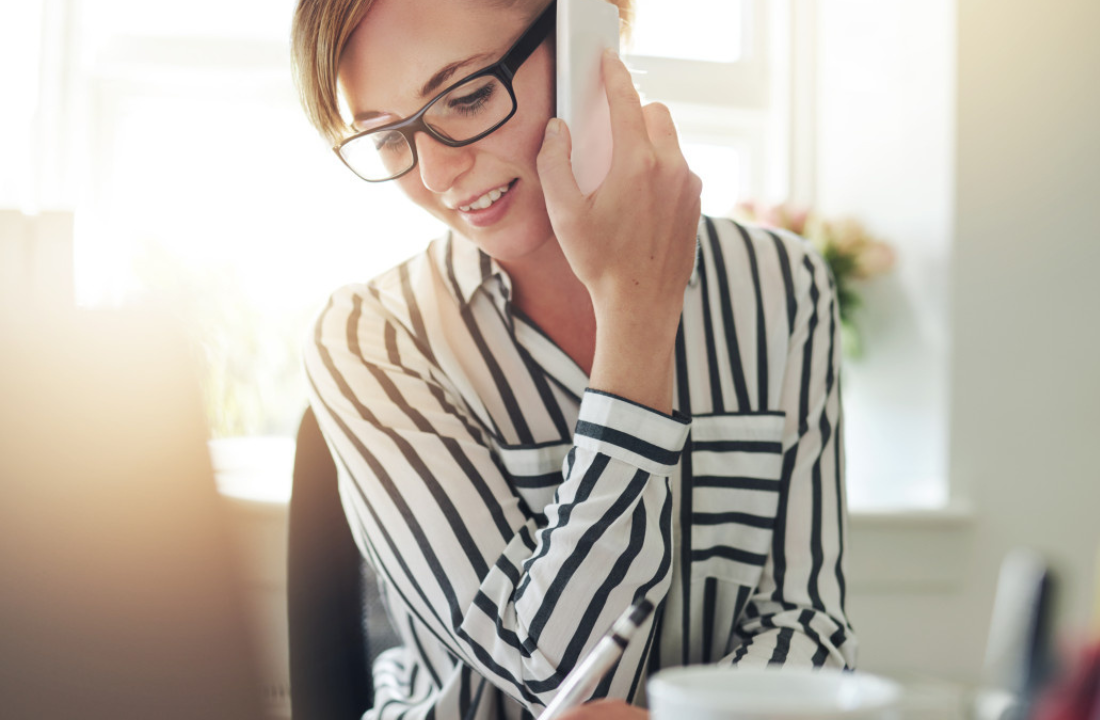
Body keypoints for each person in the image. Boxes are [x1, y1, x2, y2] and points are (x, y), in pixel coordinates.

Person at [292, 0, 858, 718]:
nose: (435, 173)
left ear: (591, 35)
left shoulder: (782, 285)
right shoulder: (370, 338)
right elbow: (553, 670)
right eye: (387, 139)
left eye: (466, 98)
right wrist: (637, 319)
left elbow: (808, 629)